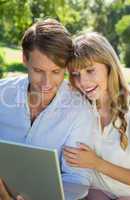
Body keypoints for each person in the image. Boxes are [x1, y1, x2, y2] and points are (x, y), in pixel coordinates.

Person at [0, 19, 94, 200]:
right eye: (38, 70)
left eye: (56, 72)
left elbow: (77, 179)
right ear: (24, 59)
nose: (47, 83)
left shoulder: (80, 111)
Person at [64, 32, 130, 200]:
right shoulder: (80, 107)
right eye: (76, 74)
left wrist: (97, 163)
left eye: (90, 71)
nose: (83, 82)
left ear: (109, 66)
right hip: (89, 194)